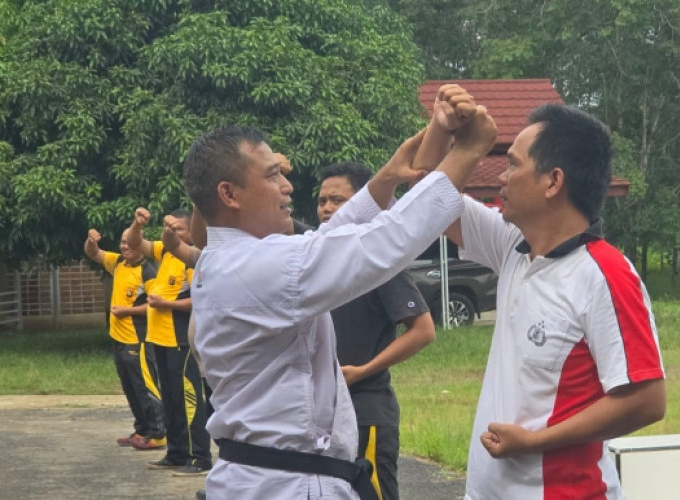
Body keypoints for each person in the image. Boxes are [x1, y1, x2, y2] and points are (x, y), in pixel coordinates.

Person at [181, 85, 497, 499]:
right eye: (273, 175)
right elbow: (387, 242)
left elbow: (332, 235)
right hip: (287, 486)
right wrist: (467, 152)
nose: (287, 187)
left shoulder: (226, 263)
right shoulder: (257, 266)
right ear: (229, 193)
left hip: (264, 479)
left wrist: (385, 179)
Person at [417, 97, 666, 499]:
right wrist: (442, 129)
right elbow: (426, 199)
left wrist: (534, 441)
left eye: (514, 164)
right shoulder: (513, 246)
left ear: (553, 182)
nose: (501, 176)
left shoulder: (605, 274)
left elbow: (647, 400)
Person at [317, 161, 436, 499]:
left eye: (338, 201)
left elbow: (423, 330)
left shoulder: (379, 262)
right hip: (325, 413)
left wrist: (363, 371)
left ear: (363, 204)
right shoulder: (319, 256)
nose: (327, 208)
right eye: (322, 200)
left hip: (366, 410)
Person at [126, 209, 212, 475]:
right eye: (170, 229)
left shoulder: (192, 259)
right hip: (159, 338)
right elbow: (134, 243)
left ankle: (199, 458)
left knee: (189, 400)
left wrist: (167, 304)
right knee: (171, 399)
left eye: (180, 229)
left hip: (181, 340)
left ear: (192, 230)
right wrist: (138, 225)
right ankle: (176, 453)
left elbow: (201, 298)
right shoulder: (165, 252)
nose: (174, 234)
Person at [83, 228, 166, 449]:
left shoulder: (148, 271)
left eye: (130, 242)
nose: (125, 246)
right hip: (119, 339)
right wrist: (91, 241)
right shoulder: (118, 263)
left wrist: (127, 311)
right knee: (130, 387)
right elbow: (94, 253)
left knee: (145, 387)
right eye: (122, 242)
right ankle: (142, 430)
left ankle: (158, 433)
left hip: (137, 340)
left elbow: (154, 305)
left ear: (140, 244)